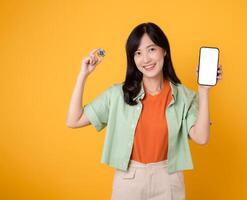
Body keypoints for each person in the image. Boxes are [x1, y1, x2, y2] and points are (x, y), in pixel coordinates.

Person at [66, 22, 223, 200]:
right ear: (132, 59)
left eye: (151, 49)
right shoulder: (118, 94)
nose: (145, 59)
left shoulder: (184, 96)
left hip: (168, 180)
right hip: (128, 180)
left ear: (164, 50)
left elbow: (201, 138)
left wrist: (203, 91)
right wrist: (83, 75)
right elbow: (74, 120)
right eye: (138, 53)